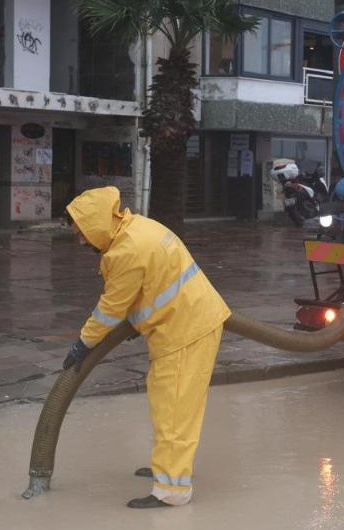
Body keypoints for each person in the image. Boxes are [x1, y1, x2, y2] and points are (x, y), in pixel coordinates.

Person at [63, 186, 230, 509]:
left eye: (82, 233)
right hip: (183, 323)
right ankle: (166, 466)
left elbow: (110, 309)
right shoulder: (138, 227)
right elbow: (152, 285)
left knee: (175, 411)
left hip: (186, 331)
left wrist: (84, 344)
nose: (81, 241)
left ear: (97, 224)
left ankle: (171, 491)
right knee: (164, 401)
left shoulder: (126, 252)